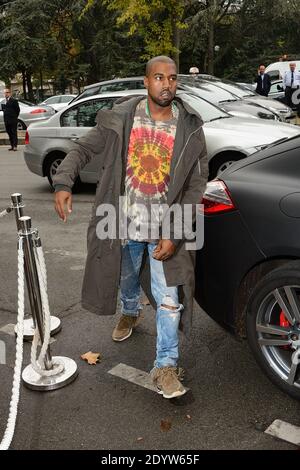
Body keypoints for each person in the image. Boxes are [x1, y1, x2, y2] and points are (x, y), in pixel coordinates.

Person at [53, 55, 208, 399]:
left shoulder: (191, 128)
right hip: (121, 223)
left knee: (169, 298)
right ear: (145, 81)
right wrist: (63, 181)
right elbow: (82, 148)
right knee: (125, 276)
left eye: (172, 78)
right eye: (158, 77)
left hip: (165, 228)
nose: (166, 84)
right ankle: (130, 310)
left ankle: (165, 366)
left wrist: (175, 231)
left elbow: (197, 185)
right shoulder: (121, 119)